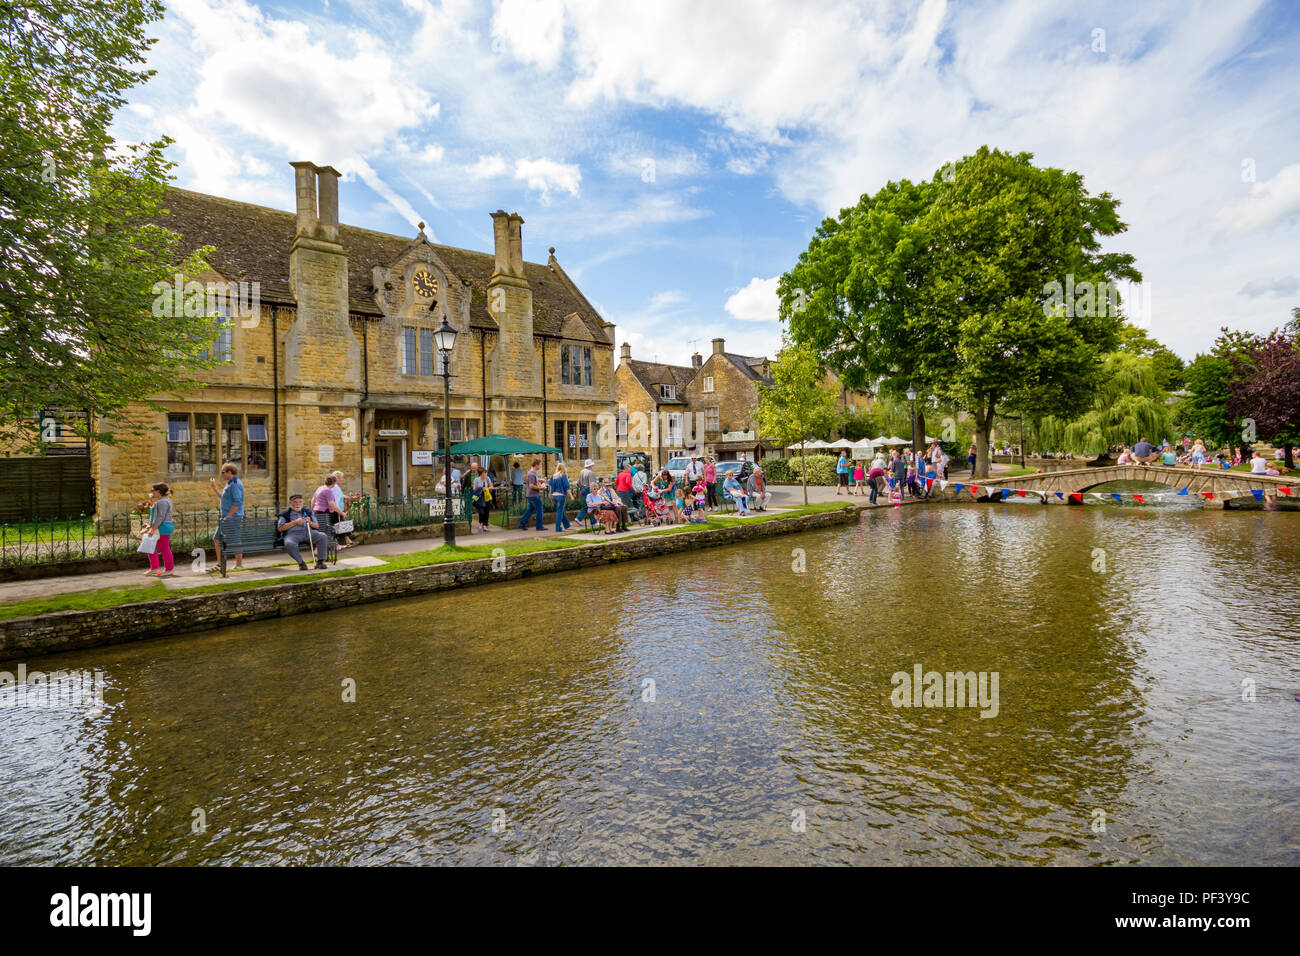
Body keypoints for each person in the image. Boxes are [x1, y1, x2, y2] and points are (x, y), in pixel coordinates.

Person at [277, 493, 329, 571]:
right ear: (290, 503)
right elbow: (280, 528)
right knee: (289, 543)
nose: (298, 504)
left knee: (322, 536)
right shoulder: (284, 514)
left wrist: (310, 522)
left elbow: (317, 526)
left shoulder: (307, 512)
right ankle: (301, 563)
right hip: (292, 535)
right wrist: (295, 522)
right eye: (295, 502)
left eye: (300, 502)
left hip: (307, 532)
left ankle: (320, 562)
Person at [209, 462, 245, 571]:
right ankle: (220, 564)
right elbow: (224, 498)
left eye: (223, 472)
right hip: (227, 517)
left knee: (235, 540)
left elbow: (237, 502)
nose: (222, 474)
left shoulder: (235, 484)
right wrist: (215, 488)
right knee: (217, 539)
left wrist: (228, 516)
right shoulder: (230, 483)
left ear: (230, 472)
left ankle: (239, 565)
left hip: (233, 518)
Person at [142, 482, 175, 578]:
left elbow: (160, 517)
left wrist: (153, 529)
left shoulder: (163, 502)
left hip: (163, 527)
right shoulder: (163, 501)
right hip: (161, 526)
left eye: (153, 491)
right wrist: (152, 501)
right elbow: (155, 513)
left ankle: (169, 569)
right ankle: (154, 568)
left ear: (158, 491)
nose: (152, 493)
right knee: (150, 547)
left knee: (164, 548)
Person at [312, 474, 345, 544]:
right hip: (324, 513)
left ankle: (333, 546)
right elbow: (332, 505)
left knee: (321, 531)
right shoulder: (328, 491)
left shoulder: (320, 488)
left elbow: (313, 500)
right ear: (334, 483)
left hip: (317, 512)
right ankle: (319, 549)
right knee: (325, 531)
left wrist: (312, 510)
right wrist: (341, 513)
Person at [330, 471, 357, 547]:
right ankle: (341, 543)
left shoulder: (336, 487)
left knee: (341, 525)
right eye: (341, 478)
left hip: (338, 510)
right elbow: (335, 499)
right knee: (338, 526)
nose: (342, 479)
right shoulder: (335, 487)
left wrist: (346, 496)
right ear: (336, 478)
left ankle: (348, 541)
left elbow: (340, 496)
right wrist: (340, 511)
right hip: (337, 510)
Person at [519, 459, 545, 530]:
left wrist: (540, 480)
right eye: (540, 464)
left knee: (530, 510)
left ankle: (522, 523)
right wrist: (541, 488)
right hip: (534, 495)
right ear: (536, 465)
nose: (540, 466)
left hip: (530, 495)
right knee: (539, 511)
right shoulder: (531, 474)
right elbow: (531, 485)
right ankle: (539, 526)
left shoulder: (532, 473)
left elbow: (533, 481)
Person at [549, 462, 572, 531]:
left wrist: (550, 494)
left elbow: (551, 486)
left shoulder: (553, 476)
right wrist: (571, 496)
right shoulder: (563, 475)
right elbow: (566, 487)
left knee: (560, 510)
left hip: (554, 495)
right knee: (559, 512)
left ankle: (567, 524)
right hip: (560, 496)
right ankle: (558, 528)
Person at [471, 464, 494, 531]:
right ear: (481, 473)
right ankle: (481, 524)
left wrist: (486, 488)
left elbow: (491, 487)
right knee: (481, 512)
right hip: (479, 498)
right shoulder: (476, 479)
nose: (485, 474)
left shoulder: (487, 478)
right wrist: (481, 489)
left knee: (486, 512)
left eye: (485, 472)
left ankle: (484, 525)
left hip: (486, 497)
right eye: (484, 472)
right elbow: (474, 489)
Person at [575, 458, 597, 527]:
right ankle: (593, 522)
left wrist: (580, 488)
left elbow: (578, 482)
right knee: (591, 505)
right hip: (588, 489)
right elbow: (592, 484)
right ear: (590, 466)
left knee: (586, 506)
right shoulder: (591, 473)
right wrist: (594, 492)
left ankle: (579, 518)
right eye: (592, 465)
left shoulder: (582, 471)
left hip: (582, 489)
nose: (592, 467)